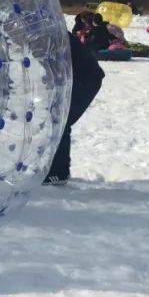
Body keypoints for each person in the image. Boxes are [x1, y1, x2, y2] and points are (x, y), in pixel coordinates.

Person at [45, 32, 105, 186]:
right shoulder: (48, 32)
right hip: (76, 78)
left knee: (60, 121)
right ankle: (54, 170)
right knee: (56, 120)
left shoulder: (51, 36)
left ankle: (58, 174)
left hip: (86, 79)